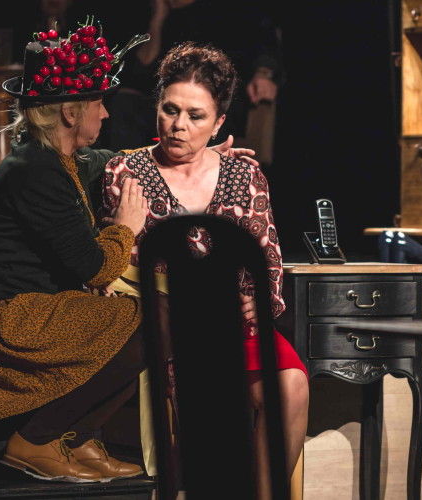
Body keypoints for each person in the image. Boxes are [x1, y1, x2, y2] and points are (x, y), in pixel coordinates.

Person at [0, 19, 252, 483]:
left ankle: (75, 438)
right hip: (3, 320)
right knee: (158, 316)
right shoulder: (34, 170)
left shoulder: (60, 159)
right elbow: (94, 268)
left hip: (28, 306)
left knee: (161, 313)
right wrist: (124, 228)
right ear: (70, 113)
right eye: (98, 103)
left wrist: (202, 156)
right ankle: (36, 440)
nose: (105, 114)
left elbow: (120, 161)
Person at [102, 41, 309, 498]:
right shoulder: (127, 172)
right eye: (170, 109)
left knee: (291, 385)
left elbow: (268, 256)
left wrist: (259, 300)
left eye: (195, 116)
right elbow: (121, 266)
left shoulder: (244, 175)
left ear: (218, 124)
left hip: (237, 327)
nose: (178, 125)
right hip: (168, 329)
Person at [96, 0, 282, 152]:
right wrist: (157, 20)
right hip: (166, 102)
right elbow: (142, 67)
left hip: (215, 97)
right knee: (124, 102)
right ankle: (130, 173)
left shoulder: (227, 10)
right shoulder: (154, 11)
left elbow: (264, 41)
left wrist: (263, 73)